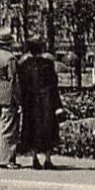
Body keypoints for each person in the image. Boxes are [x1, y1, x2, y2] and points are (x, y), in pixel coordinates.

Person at [14, 36, 63, 170]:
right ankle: (47, 159)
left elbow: (21, 86)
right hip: (46, 100)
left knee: (31, 128)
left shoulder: (24, 65)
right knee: (49, 128)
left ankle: (34, 158)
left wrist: (21, 101)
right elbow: (53, 85)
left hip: (30, 101)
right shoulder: (48, 64)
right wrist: (58, 104)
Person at [0, 27, 21, 169]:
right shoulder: (10, 58)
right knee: (9, 128)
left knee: (2, 125)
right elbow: (14, 80)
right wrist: (18, 98)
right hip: (9, 95)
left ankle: (5, 157)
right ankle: (6, 158)